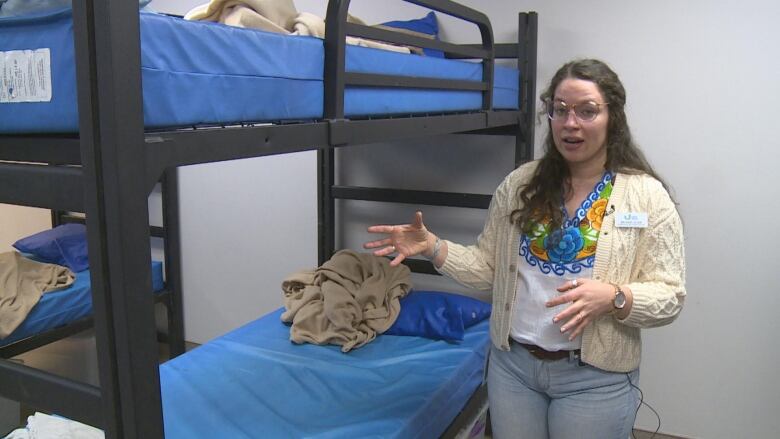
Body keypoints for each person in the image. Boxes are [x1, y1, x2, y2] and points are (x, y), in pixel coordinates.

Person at [363, 59, 686, 439]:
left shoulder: (646, 196)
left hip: (594, 379)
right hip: (512, 368)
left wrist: (616, 297)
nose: (571, 123)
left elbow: (670, 295)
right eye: (560, 110)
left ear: (612, 117)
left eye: (587, 111)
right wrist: (432, 246)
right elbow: (487, 270)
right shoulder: (520, 185)